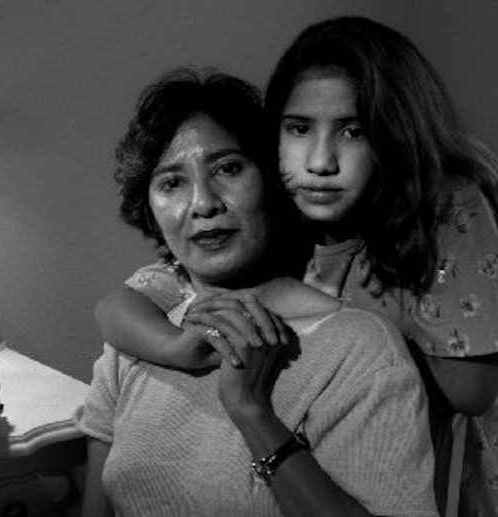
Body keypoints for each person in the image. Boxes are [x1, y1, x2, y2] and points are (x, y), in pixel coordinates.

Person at [94, 16, 498, 516]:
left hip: (433, 462)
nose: (320, 160)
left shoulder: (441, 207)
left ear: (395, 135)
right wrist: (182, 348)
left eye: (353, 130)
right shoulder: (289, 210)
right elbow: (118, 306)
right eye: (299, 129)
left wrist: (356, 332)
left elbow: (471, 390)